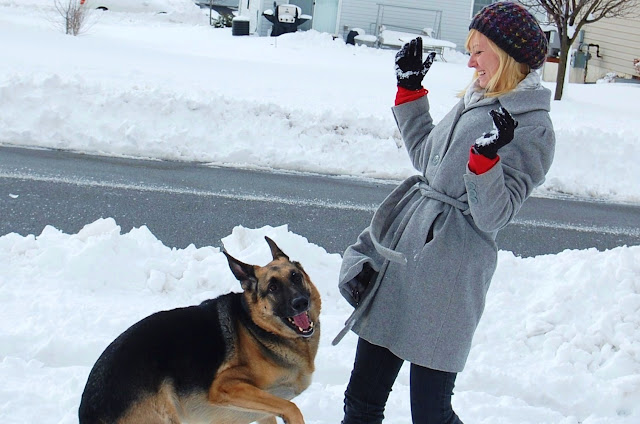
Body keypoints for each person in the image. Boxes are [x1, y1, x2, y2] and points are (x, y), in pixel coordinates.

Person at [332, 2, 556, 423]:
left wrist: (485, 162)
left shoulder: (533, 125)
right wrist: (411, 91)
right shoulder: (477, 98)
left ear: (507, 55)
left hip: (447, 280)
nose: (470, 61)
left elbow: (494, 215)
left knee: (430, 414)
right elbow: (427, 160)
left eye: (479, 51)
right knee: (361, 401)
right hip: (402, 260)